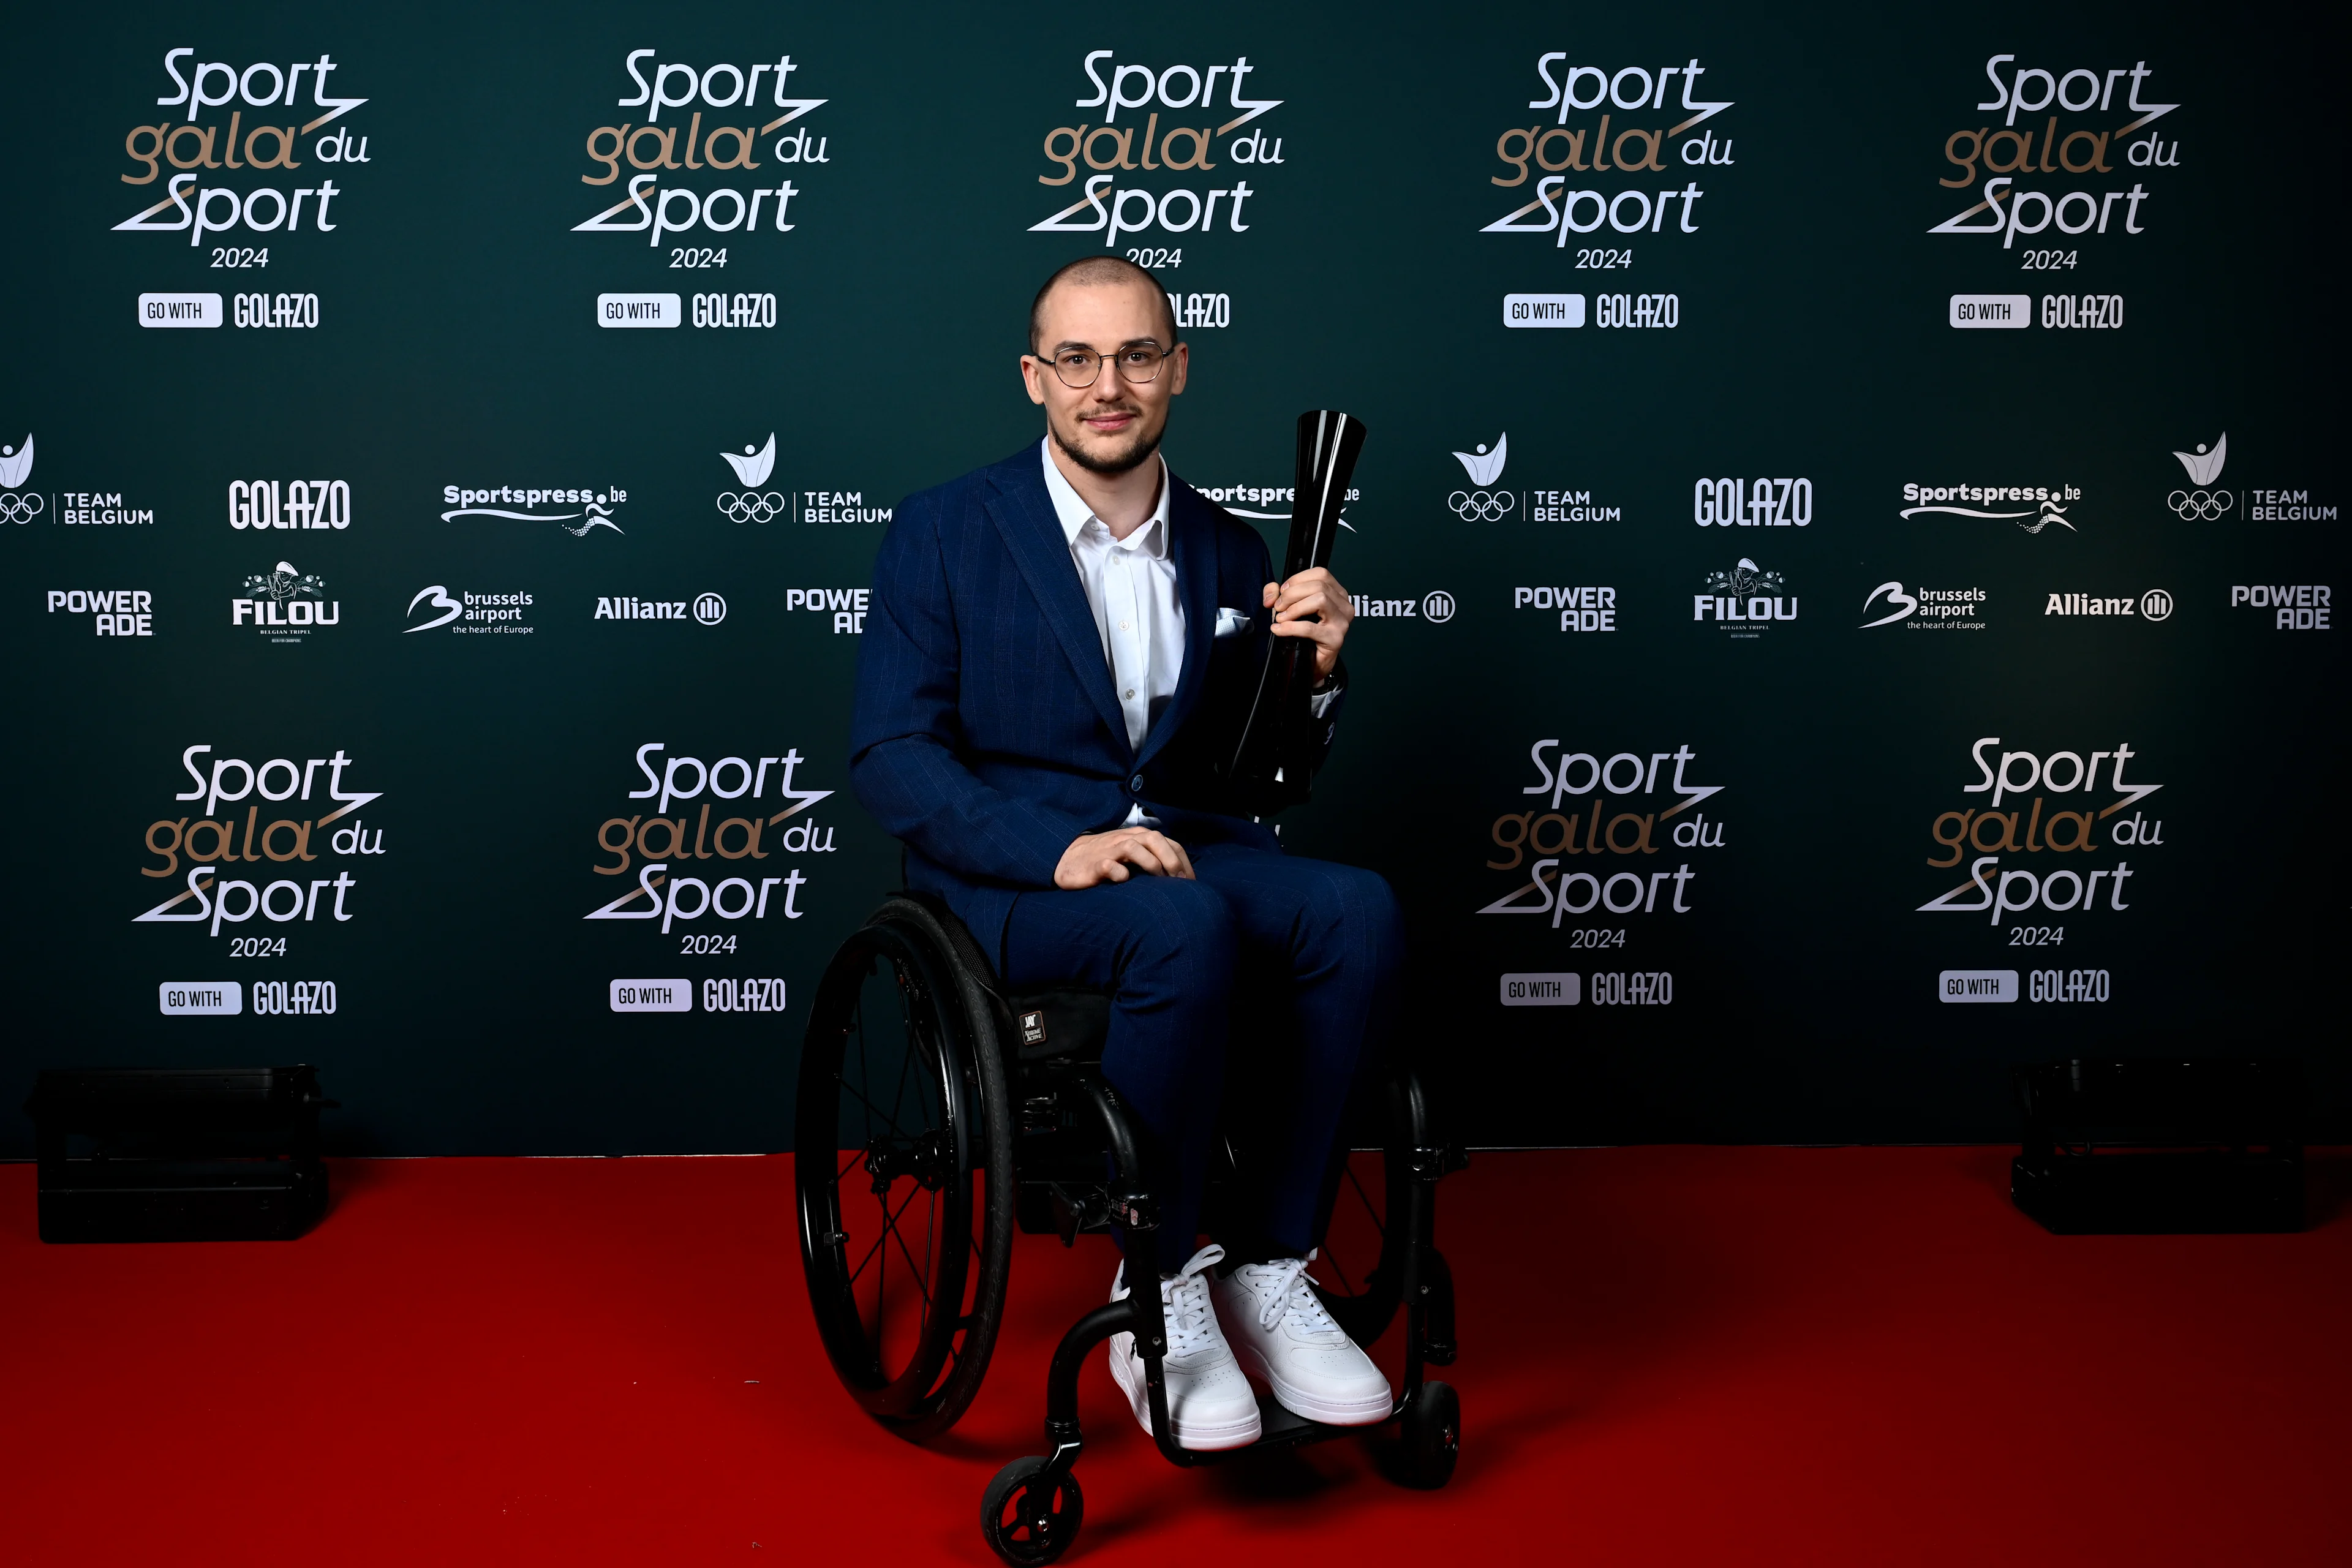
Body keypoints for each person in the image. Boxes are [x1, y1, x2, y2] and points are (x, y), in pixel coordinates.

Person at [849, 255, 1404, 1451]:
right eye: (1080, 358)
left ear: (1179, 368)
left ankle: (1268, 1258)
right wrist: (1054, 849)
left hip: (1184, 843)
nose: (1111, 383)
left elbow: (1266, 776)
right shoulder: (944, 528)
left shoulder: (1229, 544)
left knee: (1354, 908)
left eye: (1138, 354)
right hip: (1015, 878)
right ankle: (1160, 1272)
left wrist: (1316, 675)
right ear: (1036, 377)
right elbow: (893, 751)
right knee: (1185, 922)